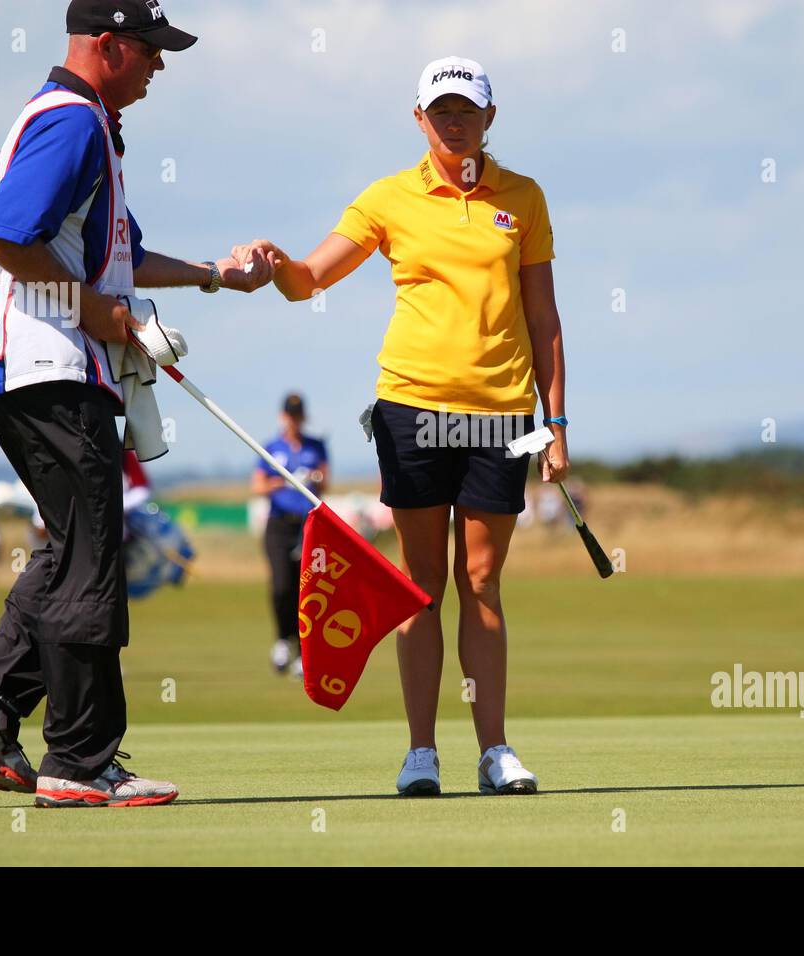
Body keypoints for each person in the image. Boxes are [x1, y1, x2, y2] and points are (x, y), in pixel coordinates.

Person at [0, 0, 274, 808]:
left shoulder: (92, 127)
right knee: (93, 559)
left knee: (72, 546)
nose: (160, 64)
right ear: (107, 44)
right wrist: (95, 314)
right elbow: (4, 236)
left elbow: (122, 256)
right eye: (151, 49)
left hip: (36, 365)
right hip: (46, 362)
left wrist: (217, 275)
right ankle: (80, 762)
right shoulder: (74, 124)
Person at [234, 56, 570, 796]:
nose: (454, 122)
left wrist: (558, 423)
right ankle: (422, 753)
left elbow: (543, 316)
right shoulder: (388, 198)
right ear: (418, 118)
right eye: (440, 111)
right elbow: (311, 278)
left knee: (481, 579)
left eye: (466, 110)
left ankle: (495, 751)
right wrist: (276, 262)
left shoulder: (525, 198)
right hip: (412, 407)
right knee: (420, 586)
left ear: (490, 116)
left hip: (502, 413)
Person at [251, 393, 329, 678]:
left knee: (304, 589)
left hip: (307, 525)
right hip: (278, 525)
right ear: (283, 416)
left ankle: (302, 649)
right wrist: (283, 480)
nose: (294, 420)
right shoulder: (273, 447)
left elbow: (325, 479)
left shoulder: (316, 446)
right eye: (290, 415)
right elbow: (257, 485)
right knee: (281, 585)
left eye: (298, 415)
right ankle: (283, 639)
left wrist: (313, 478)